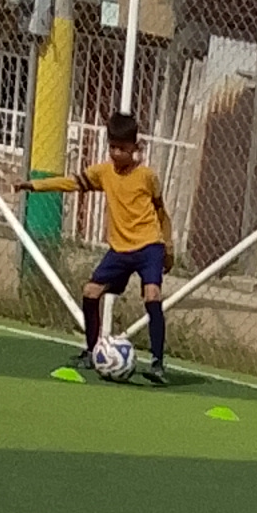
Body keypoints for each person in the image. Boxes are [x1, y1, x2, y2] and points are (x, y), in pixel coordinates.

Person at [79, 112, 169, 380]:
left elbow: (162, 213)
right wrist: (34, 186)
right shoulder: (104, 172)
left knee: (152, 294)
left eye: (122, 148)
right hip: (120, 250)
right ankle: (91, 351)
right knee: (90, 291)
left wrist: (169, 247)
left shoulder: (147, 176)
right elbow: (71, 182)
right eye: (112, 147)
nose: (116, 153)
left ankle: (157, 363)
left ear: (135, 147)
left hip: (150, 245)